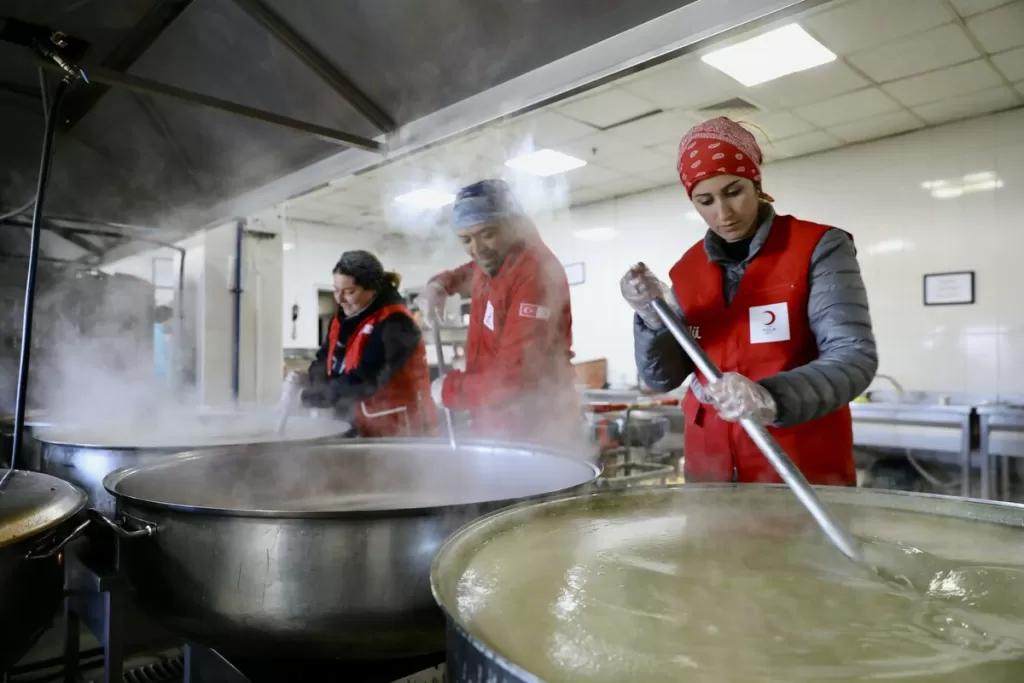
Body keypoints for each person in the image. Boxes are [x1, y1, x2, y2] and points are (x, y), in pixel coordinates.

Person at [622, 117, 877, 486]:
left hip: (798, 464)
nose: (723, 214)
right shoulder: (687, 270)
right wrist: (653, 318)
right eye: (705, 200)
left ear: (756, 183)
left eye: (733, 191)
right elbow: (662, 378)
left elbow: (853, 357)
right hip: (710, 472)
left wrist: (771, 397)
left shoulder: (817, 247)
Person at [421, 179, 580, 446]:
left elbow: (516, 377)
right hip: (497, 423)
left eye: (488, 234)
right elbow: (469, 271)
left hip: (537, 430)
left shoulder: (534, 275)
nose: (478, 249)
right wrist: (440, 285)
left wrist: (451, 389)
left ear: (513, 224)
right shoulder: (495, 261)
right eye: (466, 239)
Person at [295, 251, 437, 437]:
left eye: (349, 292)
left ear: (373, 289)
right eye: (336, 290)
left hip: (397, 429)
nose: (340, 299)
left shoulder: (396, 323)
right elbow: (325, 360)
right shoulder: (343, 319)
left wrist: (307, 397)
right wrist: (307, 379)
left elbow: (366, 379)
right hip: (356, 424)